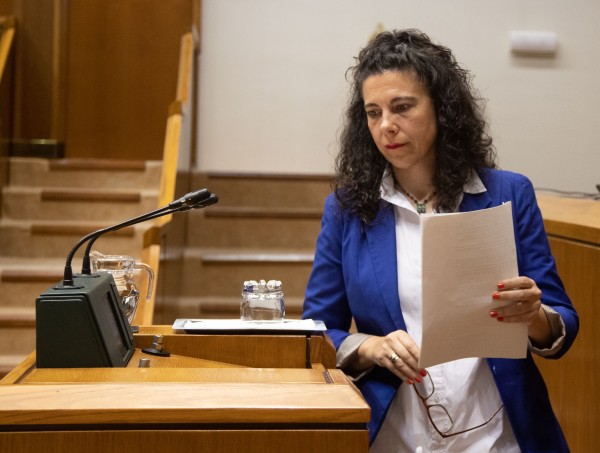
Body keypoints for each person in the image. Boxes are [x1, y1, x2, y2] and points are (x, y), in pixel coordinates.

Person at [302, 29, 578, 452]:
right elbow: (318, 331)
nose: (386, 126)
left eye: (402, 107)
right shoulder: (347, 209)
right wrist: (369, 346)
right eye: (372, 113)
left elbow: (562, 324)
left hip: (498, 435)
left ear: (441, 109)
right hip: (397, 435)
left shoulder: (508, 193)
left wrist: (534, 315)